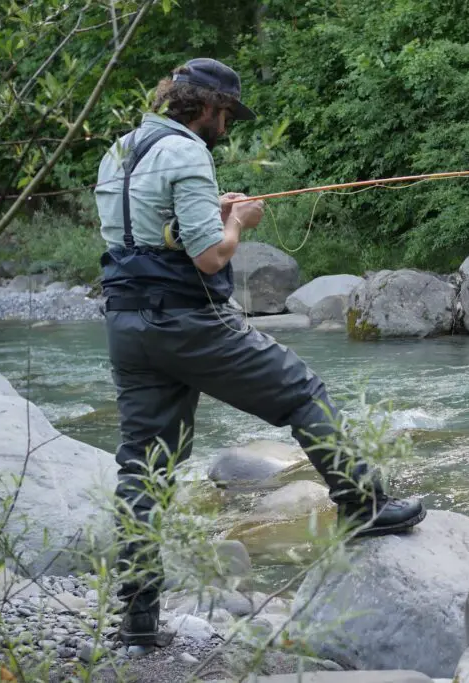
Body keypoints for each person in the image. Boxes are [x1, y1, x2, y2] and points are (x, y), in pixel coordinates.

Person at [93, 58, 426, 648]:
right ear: (208, 107)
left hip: (127, 325)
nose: (228, 126)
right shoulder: (189, 151)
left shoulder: (122, 150)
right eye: (227, 113)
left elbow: (154, 231)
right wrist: (239, 221)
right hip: (188, 324)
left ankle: (138, 623)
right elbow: (209, 258)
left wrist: (211, 210)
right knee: (302, 391)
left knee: (143, 469)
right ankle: (363, 504)